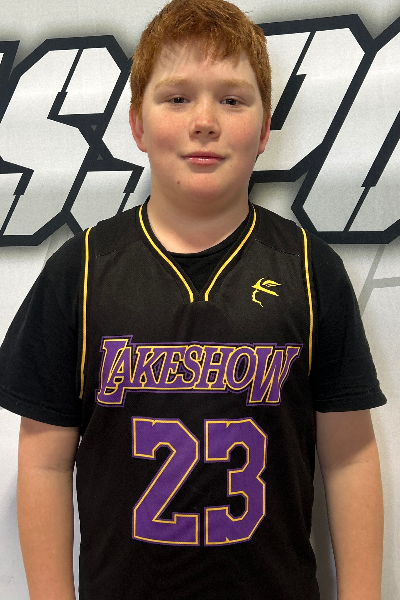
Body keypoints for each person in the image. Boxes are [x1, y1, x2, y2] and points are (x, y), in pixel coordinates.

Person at [0, 0, 385, 598]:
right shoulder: (79, 273)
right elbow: (44, 462)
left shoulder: (311, 271)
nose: (204, 121)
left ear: (264, 129)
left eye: (231, 100)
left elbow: (350, 457)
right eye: (177, 98)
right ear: (137, 124)